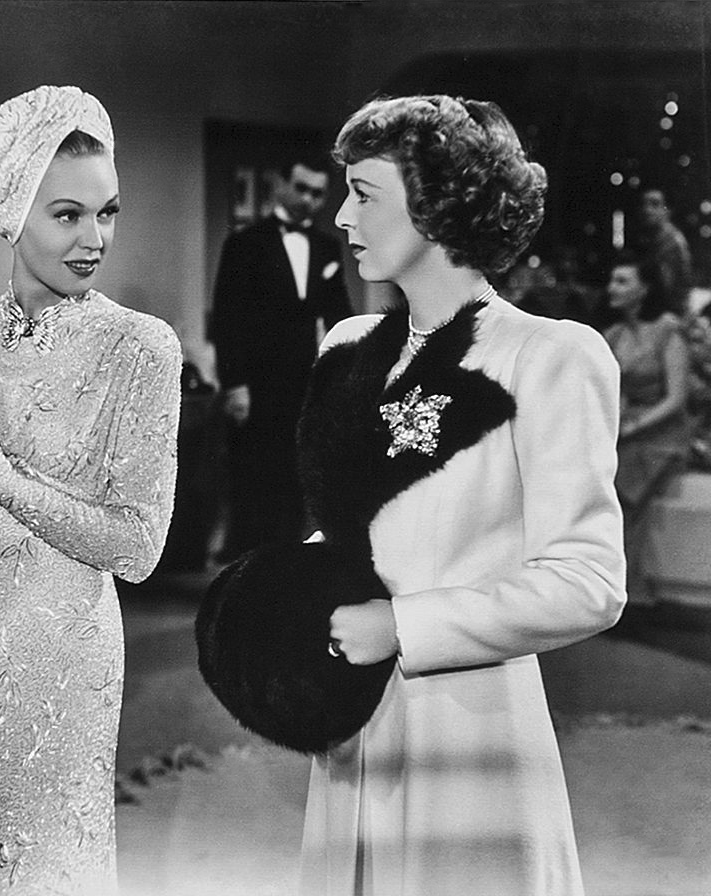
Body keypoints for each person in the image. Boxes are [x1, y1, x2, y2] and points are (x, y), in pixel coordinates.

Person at [297, 95, 626, 895]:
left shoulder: (549, 355)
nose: (342, 216)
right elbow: (347, 527)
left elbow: (590, 580)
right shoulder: (346, 348)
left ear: (438, 202)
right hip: (349, 715)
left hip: (469, 722)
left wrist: (402, 626)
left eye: (364, 193)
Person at [0, 85, 181, 894]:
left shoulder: (141, 348)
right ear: (11, 213)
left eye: (107, 213)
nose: (93, 239)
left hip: (67, 656)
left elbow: (138, 548)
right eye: (67, 215)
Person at [210, 149, 352, 560]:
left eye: (318, 194)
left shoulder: (326, 248)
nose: (309, 200)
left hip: (303, 381)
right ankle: (244, 566)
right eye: (302, 189)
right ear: (282, 186)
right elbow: (227, 318)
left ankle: (285, 567)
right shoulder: (245, 243)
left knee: (295, 476)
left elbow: (339, 315)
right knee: (253, 478)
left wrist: (347, 373)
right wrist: (235, 384)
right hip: (255, 384)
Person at [602, 253, 691, 605]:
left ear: (645, 288)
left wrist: (631, 428)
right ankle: (621, 588)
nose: (612, 288)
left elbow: (676, 399)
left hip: (663, 434)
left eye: (622, 281)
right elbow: (615, 393)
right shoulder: (614, 335)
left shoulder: (668, 330)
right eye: (612, 280)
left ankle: (627, 591)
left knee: (622, 492)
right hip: (627, 430)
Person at [635, 187, 693, 316]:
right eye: (643, 204)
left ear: (668, 210)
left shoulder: (671, 242)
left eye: (655, 204)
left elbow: (669, 291)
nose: (647, 210)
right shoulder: (650, 239)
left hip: (669, 316)